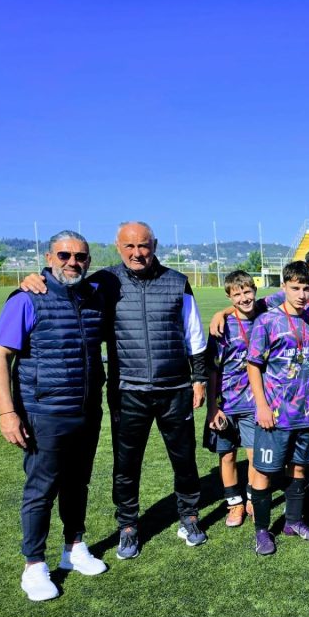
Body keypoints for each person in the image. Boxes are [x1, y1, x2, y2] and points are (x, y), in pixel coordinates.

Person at [21, 221, 210, 559]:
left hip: (175, 388)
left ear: (155, 245)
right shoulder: (103, 282)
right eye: (129, 246)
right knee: (126, 464)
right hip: (128, 390)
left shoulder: (177, 282)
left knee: (184, 459)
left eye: (144, 246)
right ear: (119, 247)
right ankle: (128, 525)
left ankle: (189, 516)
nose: (137, 253)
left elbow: (194, 333)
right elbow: (65, 282)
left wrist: (199, 379)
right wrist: (35, 278)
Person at [0, 231, 108, 600]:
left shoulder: (93, 296)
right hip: (44, 412)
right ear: (48, 257)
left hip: (86, 410)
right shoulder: (28, 298)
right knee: (41, 489)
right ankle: (34, 565)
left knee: (78, 483)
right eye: (64, 255)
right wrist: (7, 412)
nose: (73, 262)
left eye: (80, 256)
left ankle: (74, 547)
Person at [245, 261, 309, 554]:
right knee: (264, 472)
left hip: (306, 412)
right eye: (295, 288)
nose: (302, 295)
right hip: (275, 415)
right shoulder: (267, 321)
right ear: (284, 288)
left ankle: (293, 522)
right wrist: (262, 406)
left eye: (306, 288)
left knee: (299, 468)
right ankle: (262, 531)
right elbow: (253, 365)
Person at [204, 270, 261, 527]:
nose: (244, 298)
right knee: (227, 455)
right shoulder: (222, 326)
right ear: (229, 296)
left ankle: (251, 497)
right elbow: (212, 369)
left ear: (255, 291)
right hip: (225, 403)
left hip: (253, 403)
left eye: (247, 292)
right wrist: (212, 408)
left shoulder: (265, 318)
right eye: (237, 295)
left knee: (254, 454)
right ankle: (234, 503)